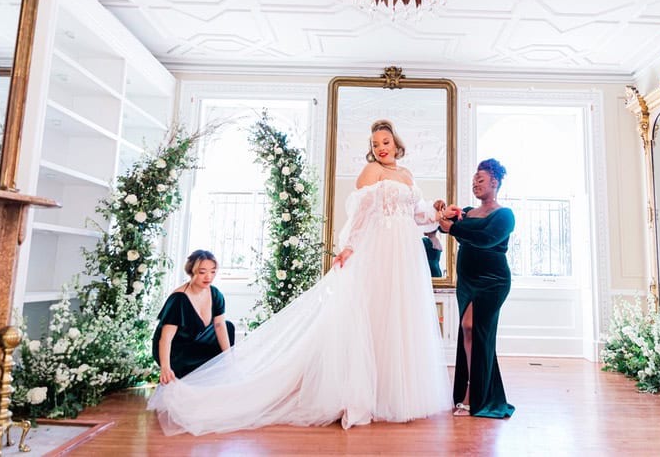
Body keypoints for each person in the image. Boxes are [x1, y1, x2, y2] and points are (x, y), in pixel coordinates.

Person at [148, 119, 451, 435]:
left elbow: (419, 214)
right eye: (375, 144)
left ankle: (394, 395)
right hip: (380, 252)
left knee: (399, 320)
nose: (380, 148)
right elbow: (361, 215)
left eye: (385, 141)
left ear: (395, 142)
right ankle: (362, 395)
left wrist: (439, 212)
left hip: (404, 255)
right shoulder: (371, 173)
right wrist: (348, 248)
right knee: (372, 319)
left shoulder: (406, 175)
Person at [436, 158, 515, 418]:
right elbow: (444, 227)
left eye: (480, 180)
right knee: (467, 330)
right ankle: (471, 392)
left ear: (495, 182)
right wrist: (442, 213)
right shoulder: (468, 212)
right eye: (473, 182)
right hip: (467, 280)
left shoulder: (504, 215)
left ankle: (475, 395)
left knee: (477, 331)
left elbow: (485, 238)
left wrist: (456, 226)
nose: (475, 185)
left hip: (493, 281)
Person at [152, 249, 236, 383]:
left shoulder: (215, 294)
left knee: (228, 327)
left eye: (213, 272)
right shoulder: (178, 299)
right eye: (202, 272)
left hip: (195, 341)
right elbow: (165, 338)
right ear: (192, 272)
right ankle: (186, 373)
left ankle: (216, 375)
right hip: (175, 349)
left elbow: (219, 326)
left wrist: (228, 359)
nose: (208, 277)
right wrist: (165, 367)